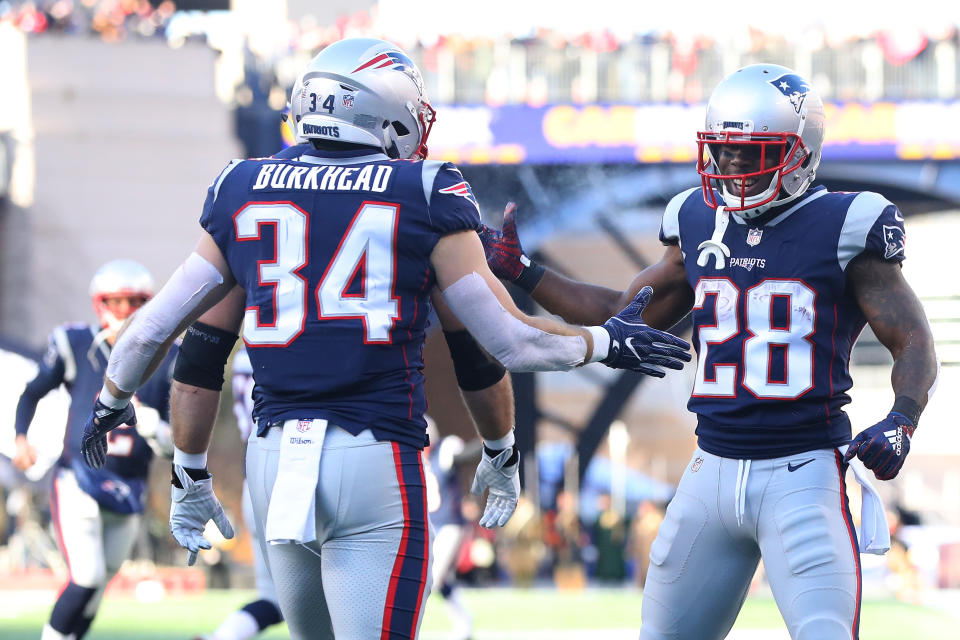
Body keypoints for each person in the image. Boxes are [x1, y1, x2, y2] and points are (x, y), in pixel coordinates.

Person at [76, 38, 691, 640]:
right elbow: (505, 343)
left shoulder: (241, 186)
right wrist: (604, 344)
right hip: (375, 459)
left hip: (274, 464)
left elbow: (157, 328)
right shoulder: (423, 191)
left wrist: (118, 412)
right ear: (384, 113)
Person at [479, 63, 939, 639]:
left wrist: (903, 418)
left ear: (801, 153)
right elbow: (623, 314)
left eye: (754, 153)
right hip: (709, 471)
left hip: (805, 473)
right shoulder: (697, 218)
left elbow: (913, 338)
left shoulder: (846, 222)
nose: (734, 168)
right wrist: (525, 272)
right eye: (724, 152)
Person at [12, 259, 176, 640]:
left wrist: (153, 426)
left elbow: (175, 440)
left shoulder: (169, 356)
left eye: (133, 301)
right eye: (116, 301)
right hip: (79, 480)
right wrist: (22, 436)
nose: (124, 311)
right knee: (84, 578)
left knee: (99, 586)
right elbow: (32, 392)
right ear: (100, 303)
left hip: (128, 484)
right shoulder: (76, 343)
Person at [192, 348, 282, 640]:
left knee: (274, 598)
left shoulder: (245, 354)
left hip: (253, 485)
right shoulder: (291, 341)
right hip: (293, 477)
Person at [422, 417, 474, 640]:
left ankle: (408, 630)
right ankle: (465, 626)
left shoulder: (444, 449)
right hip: (428, 525)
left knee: (431, 580)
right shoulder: (414, 458)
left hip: (449, 524)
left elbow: (462, 456)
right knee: (441, 581)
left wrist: (488, 442)